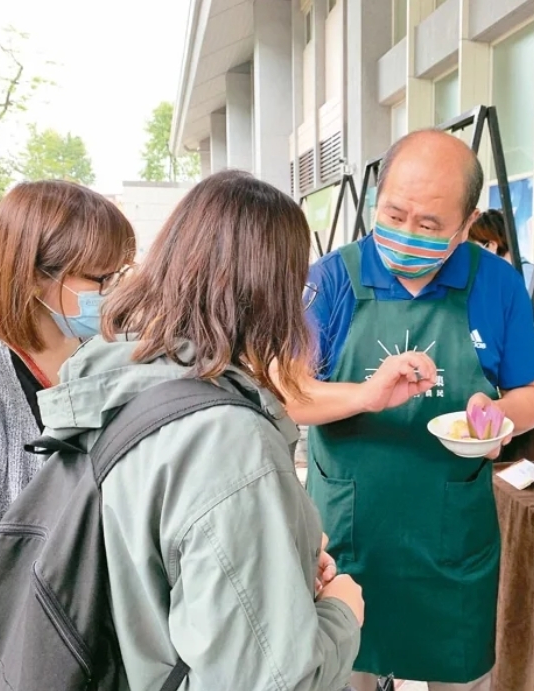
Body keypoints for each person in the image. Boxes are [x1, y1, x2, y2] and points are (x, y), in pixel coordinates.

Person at [33, 170, 363, 690]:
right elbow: (267, 681)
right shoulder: (227, 441)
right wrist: (343, 613)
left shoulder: (122, 383)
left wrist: (287, 551)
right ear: (272, 293)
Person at [288, 130, 534, 691]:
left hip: (451, 534)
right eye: (394, 214)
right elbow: (290, 396)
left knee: (459, 674)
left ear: (466, 222)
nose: (407, 234)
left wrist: (499, 414)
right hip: (350, 531)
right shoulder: (332, 278)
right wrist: (364, 395)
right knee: (345, 670)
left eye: (429, 225)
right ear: (374, 201)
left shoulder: (497, 284)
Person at [0, 180, 135, 691]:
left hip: (93, 634)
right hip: (23, 654)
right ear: (36, 276)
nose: (112, 292)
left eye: (119, 274)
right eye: (99, 278)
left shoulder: (99, 358)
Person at [468, 209, 534, 342]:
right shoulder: (491, 275)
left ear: (491, 245)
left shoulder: (524, 273)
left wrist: (506, 339)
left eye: (474, 248)